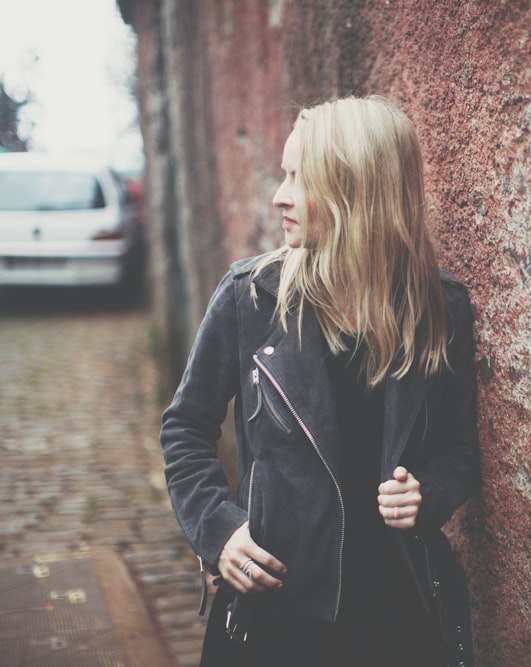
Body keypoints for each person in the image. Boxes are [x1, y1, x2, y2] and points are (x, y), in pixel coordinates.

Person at [160, 96, 480, 667]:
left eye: (299, 179)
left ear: (359, 191)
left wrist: (428, 494)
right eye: (283, 175)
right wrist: (219, 531)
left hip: (399, 613)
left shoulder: (440, 307)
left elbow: (460, 451)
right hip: (276, 612)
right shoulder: (249, 297)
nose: (279, 195)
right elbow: (186, 428)